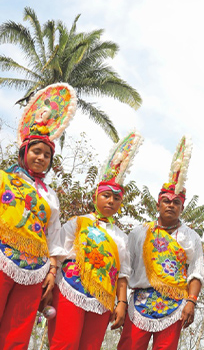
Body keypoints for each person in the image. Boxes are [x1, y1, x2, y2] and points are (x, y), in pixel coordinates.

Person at [48, 131, 142, 349]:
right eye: (106, 195)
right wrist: (51, 280)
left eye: (116, 198)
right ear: (95, 197)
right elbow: (57, 253)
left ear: (121, 203)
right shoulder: (78, 222)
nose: (110, 201)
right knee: (65, 343)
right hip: (69, 289)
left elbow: (123, 273)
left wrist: (121, 302)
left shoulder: (120, 236)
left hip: (102, 299)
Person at [0, 83, 76, 349]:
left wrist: (52, 272)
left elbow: (54, 236)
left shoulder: (50, 196)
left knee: (17, 335)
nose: (41, 158)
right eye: (36, 151)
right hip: (2, 260)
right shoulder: (3, 179)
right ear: (24, 152)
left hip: (35, 271)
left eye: (47, 155)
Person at [118, 136, 204, 350]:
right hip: (139, 303)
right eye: (166, 201)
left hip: (175, 304)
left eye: (176, 202)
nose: (171, 205)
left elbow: (196, 271)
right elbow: (124, 270)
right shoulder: (139, 232)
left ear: (182, 208)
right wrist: (120, 303)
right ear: (158, 204)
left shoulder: (191, 237)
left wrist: (191, 302)